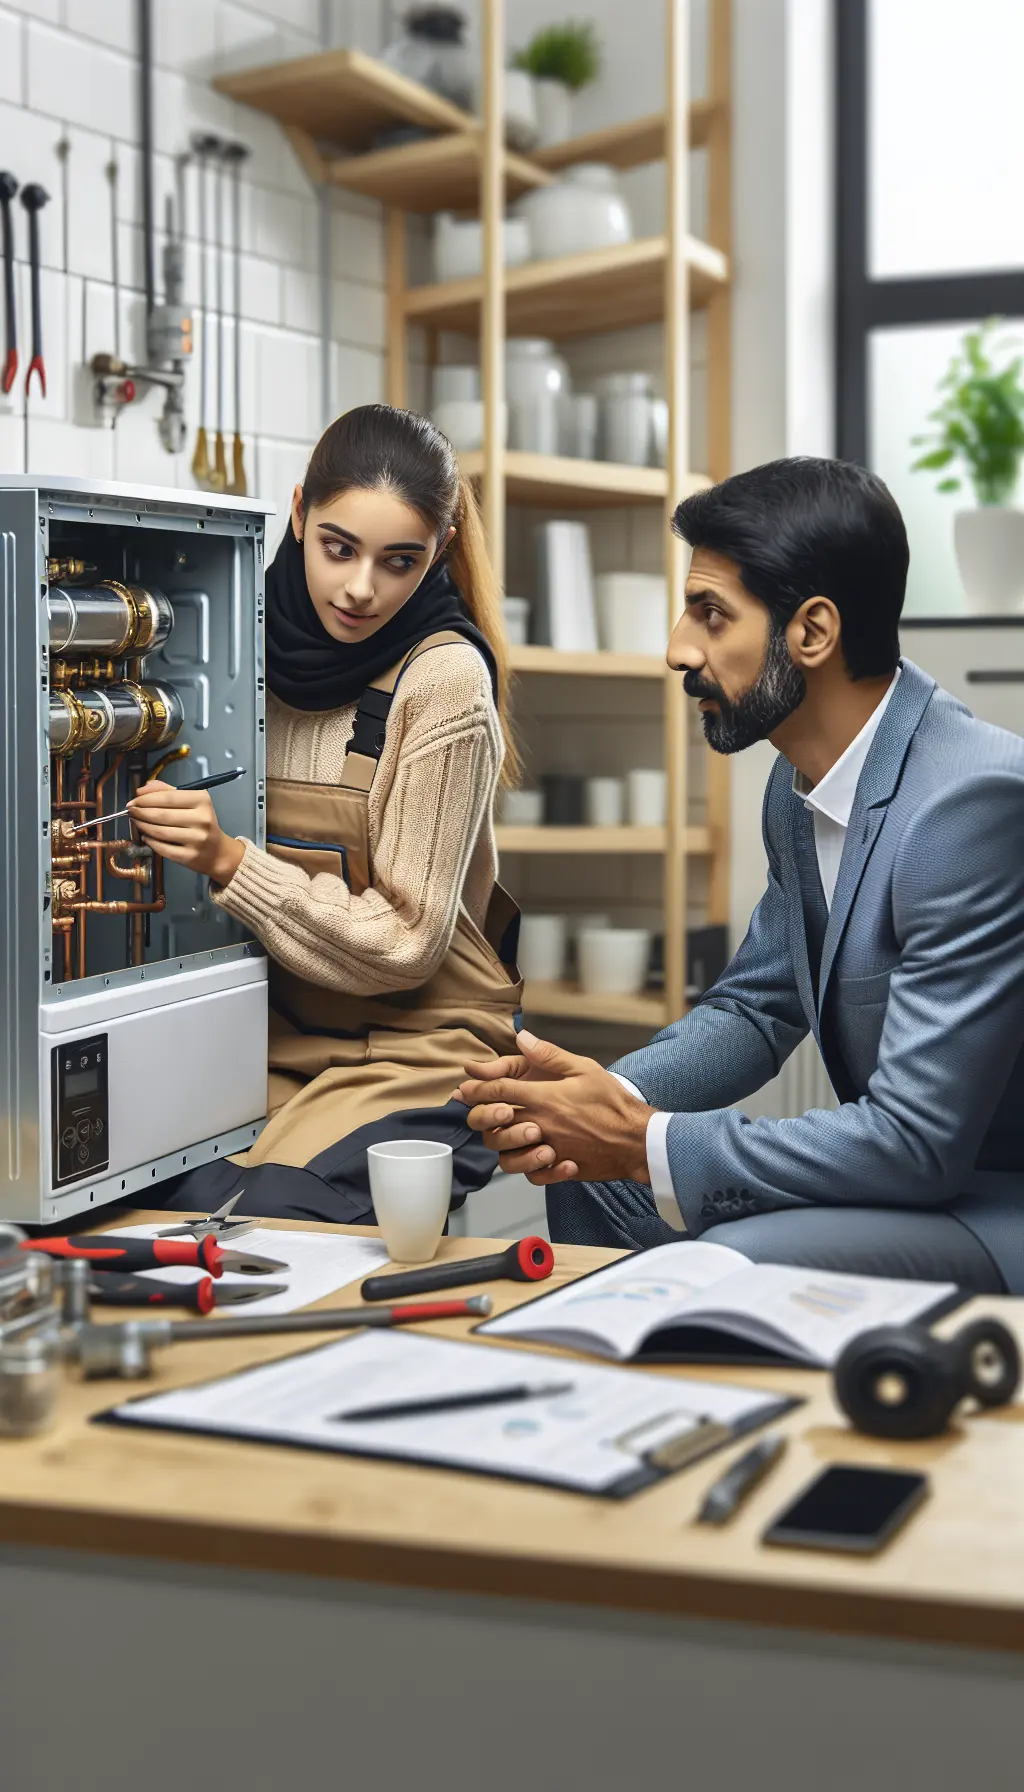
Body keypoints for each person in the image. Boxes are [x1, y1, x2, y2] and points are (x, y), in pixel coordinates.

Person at [458, 457, 1024, 1293]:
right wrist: (598, 1096)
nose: (677, 648)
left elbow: (915, 1144)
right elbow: (757, 1009)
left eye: (711, 614)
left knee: (724, 1269)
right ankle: (620, 1400)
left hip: (991, 1206)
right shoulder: (797, 788)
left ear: (814, 632)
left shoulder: (968, 809)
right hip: (915, 1190)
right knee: (594, 1170)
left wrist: (642, 1134)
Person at [131, 404, 522, 1223]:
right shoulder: (237, 644)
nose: (359, 587)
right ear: (300, 512)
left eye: (398, 561)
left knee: (272, 1224)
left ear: (439, 554)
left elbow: (411, 943)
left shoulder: (444, 684)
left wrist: (234, 865)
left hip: (418, 1046)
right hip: (275, 1034)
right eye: (339, 547)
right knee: (147, 1195)